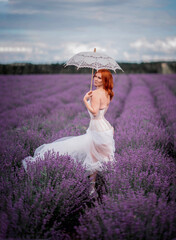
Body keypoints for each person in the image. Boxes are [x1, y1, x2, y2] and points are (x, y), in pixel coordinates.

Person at [22, 69, 115, 195]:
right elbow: (101, 112)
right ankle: (94, 188)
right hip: (105, 126)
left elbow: (94, 112)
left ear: (105, 80)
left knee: (89, 155)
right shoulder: (108, 93)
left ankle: (91, 188)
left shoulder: (96, 94)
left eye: (99, 78)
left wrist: (85, 100)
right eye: (95, 76)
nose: (95, 79)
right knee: (96, 158)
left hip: (96, 127)